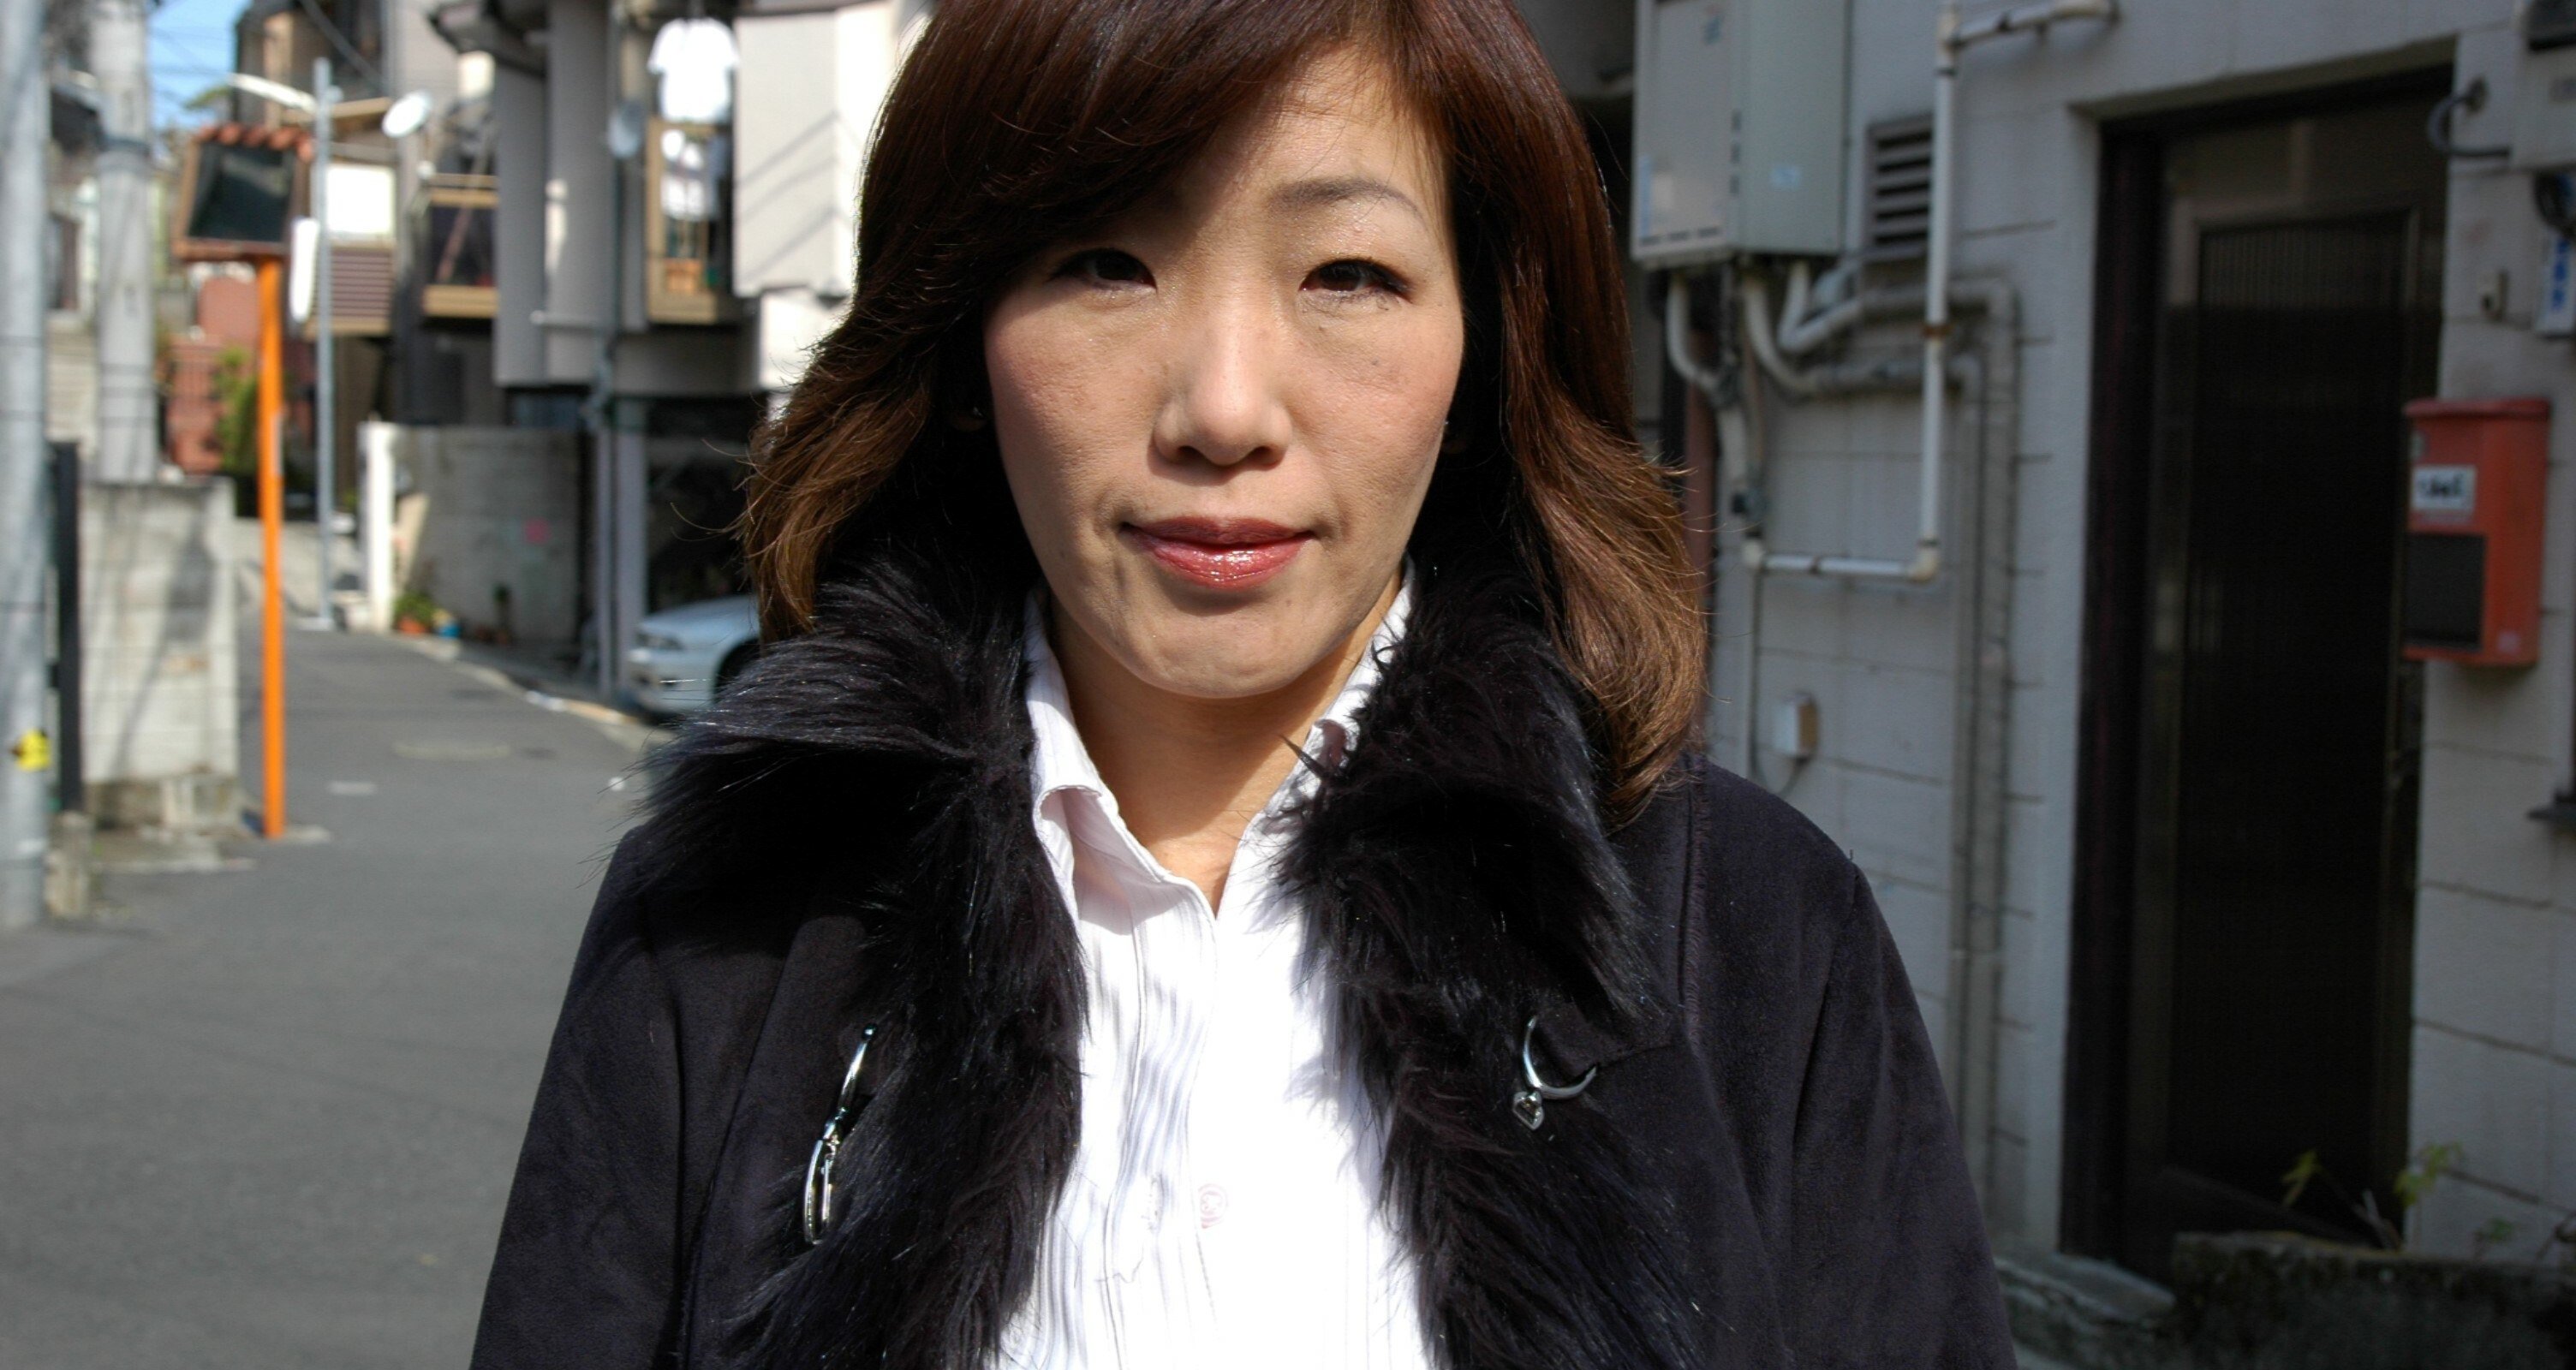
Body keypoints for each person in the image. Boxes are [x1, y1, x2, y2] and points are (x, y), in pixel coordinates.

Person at [468, 0, 2016, 1366]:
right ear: (961, 344)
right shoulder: (733, 926)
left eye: (1347, 273)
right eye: (1105, 263)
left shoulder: (1743, 928)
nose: (1222, 409)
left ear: (1483, 356)